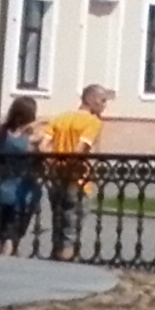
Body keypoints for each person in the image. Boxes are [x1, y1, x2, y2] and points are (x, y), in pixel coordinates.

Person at [40, 82, 109, 257]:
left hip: (55, 179)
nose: (104, 105)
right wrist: (68, 167)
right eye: (102, 100)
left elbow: (42, 146)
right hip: (77, 180)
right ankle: (67, 267)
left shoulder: (60, 118)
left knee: (58, 224)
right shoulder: (92, 122)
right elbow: (80, 149)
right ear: (91, 100)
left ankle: (54, 260)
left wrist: (54, 163)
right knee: (71, 230)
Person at [0, 96, 43, 254]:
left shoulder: (1, 133)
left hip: (4, 185)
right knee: (14, 230)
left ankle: (2, 253)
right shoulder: (31, 138)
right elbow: (39, 158)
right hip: (24, 188)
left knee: (3, 227)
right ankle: (8, 256)